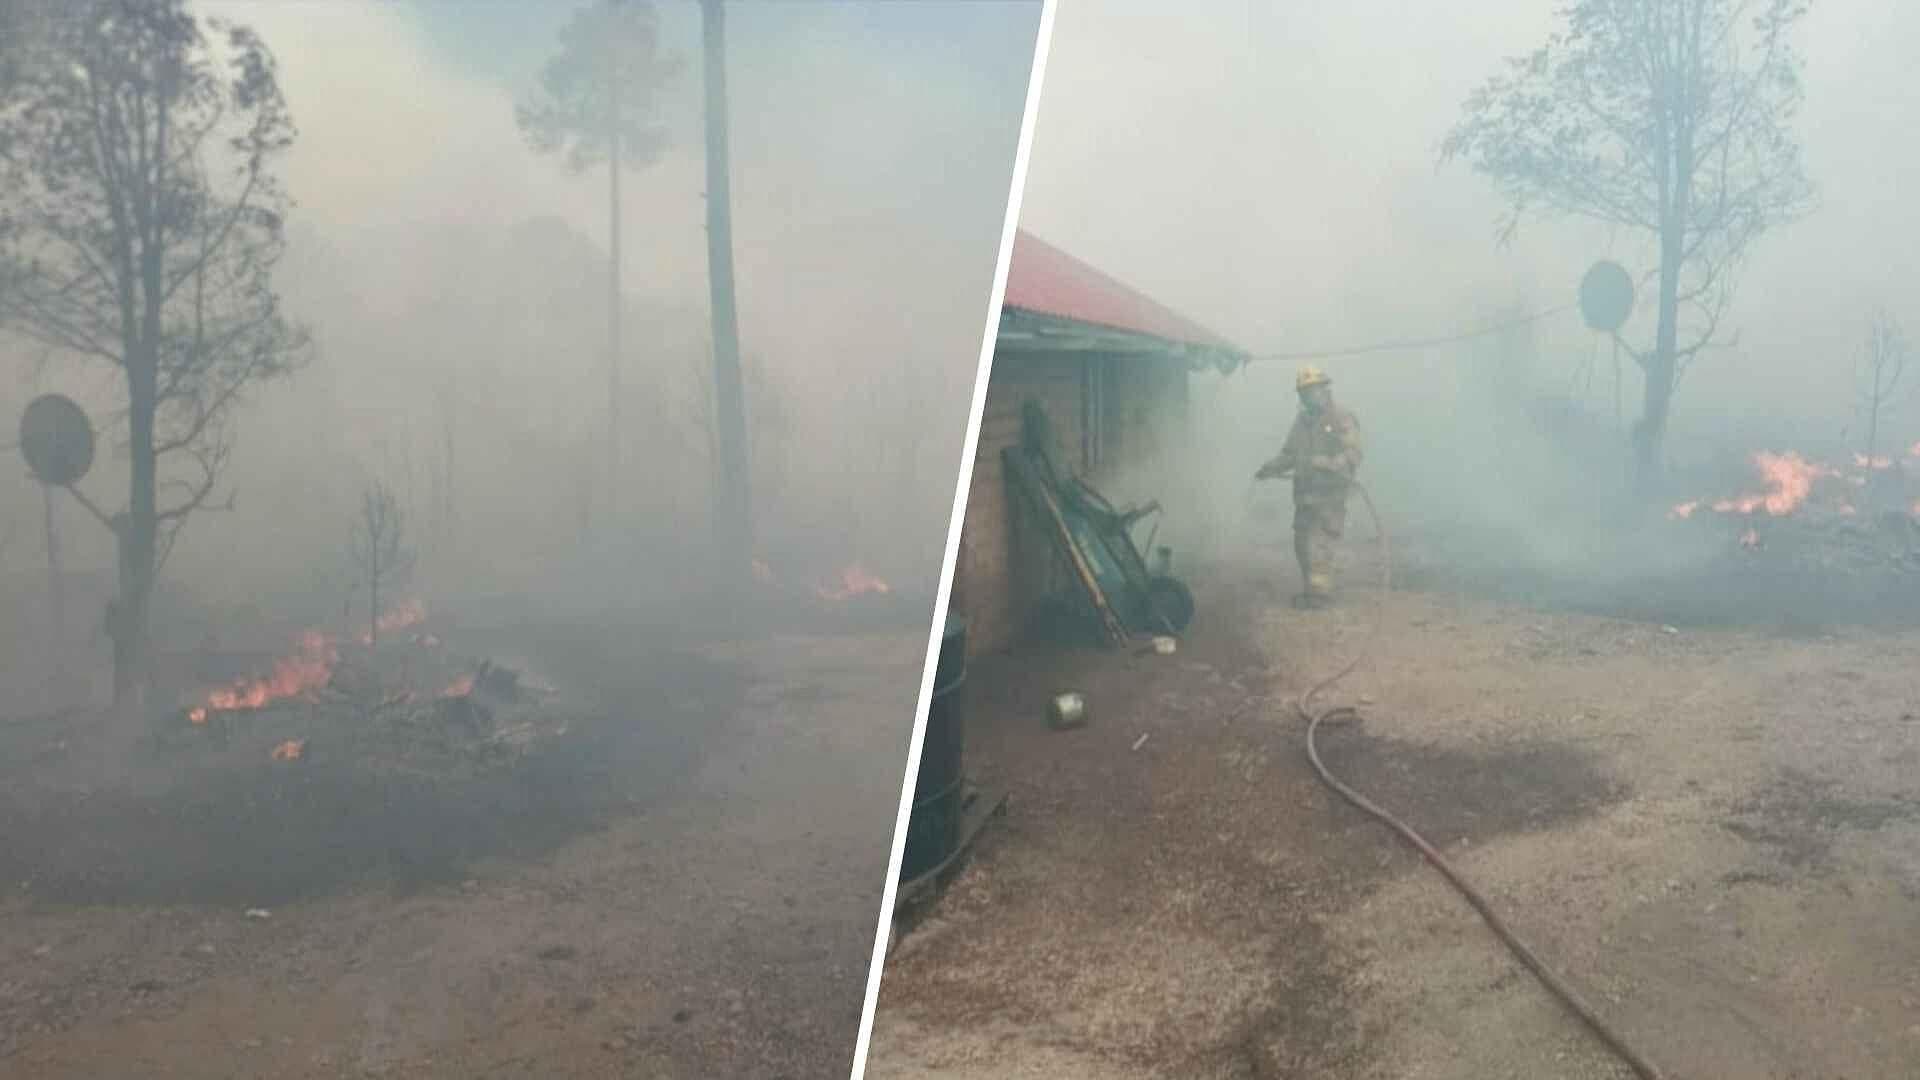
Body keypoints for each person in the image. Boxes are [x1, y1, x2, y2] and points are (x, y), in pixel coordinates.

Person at [1254, 365, 1363, 609]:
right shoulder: (1302, 421)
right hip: (1304, 496)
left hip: (1329, 496)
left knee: (1319, 543)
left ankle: (1319, 597)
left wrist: (1329, 463)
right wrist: (1270, 468)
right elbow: (1290, 454)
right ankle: (1312, 590)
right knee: (1302, 544)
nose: (1306, 397)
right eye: (1302, 393)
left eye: (1310, 391)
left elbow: (1354, 453)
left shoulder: (1341, 417)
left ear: (1324, 389)